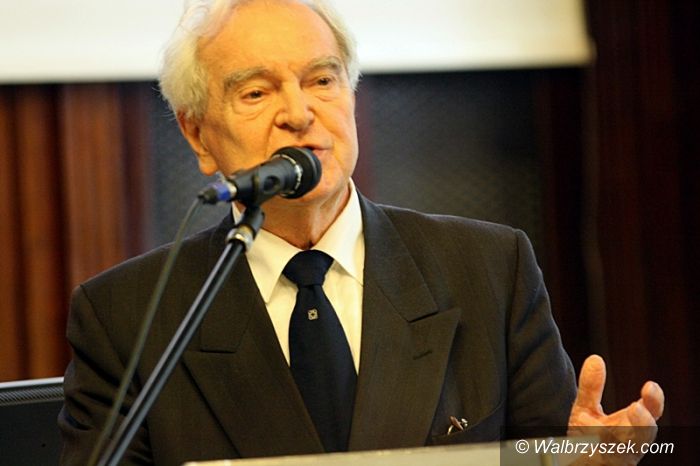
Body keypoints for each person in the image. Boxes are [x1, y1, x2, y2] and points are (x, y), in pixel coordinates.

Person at [58, 0, 664, 465]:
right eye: (256, 91)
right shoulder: (124, 315)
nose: (299, 114)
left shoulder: (488, 267)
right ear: (197, 135)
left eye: (322, 80)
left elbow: (545, 454)